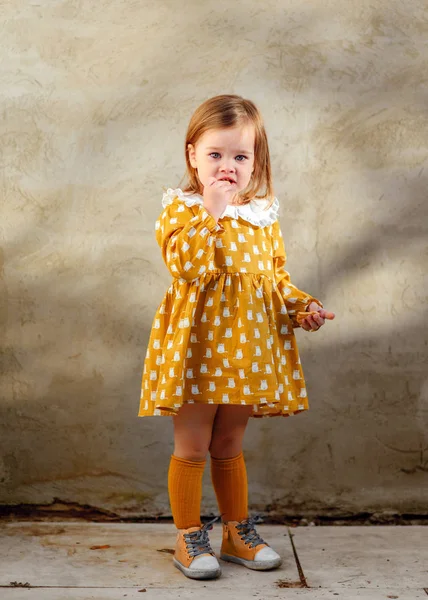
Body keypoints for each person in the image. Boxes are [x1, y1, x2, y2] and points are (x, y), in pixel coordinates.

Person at [138, 94, 335, 580]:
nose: (228, 167)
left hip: (246, 348)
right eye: (216, 155)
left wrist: (301, 307)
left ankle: (236, 531)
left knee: (229, 442)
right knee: (193, 444)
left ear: (256, 162)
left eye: (240, 157)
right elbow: (185, 265)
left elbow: (275, 279)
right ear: (193, 156)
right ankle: (188, 536)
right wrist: (212, 211)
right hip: (198, 348)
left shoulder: (262, 216)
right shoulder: (182, 211)